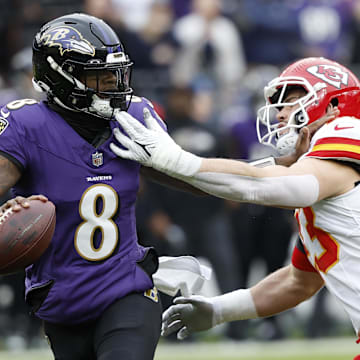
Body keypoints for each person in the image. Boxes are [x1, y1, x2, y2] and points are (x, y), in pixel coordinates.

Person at [0, 12, 208, 359]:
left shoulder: (133, 117)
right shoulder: (25, 126)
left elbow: (193, 175)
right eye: (100, 77)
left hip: (126, 290)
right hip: (61, 301)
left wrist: (265, 176)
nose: (114, 84)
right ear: (60, 78)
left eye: (115, 74)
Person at [109, 56, 360, 341]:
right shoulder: (325, 189)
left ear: (333, 107)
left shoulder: (347, 130)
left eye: (291, 100)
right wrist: (219, 310)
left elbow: (264, 185)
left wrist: (178, 160)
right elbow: (297, 283)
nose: (280, 114)